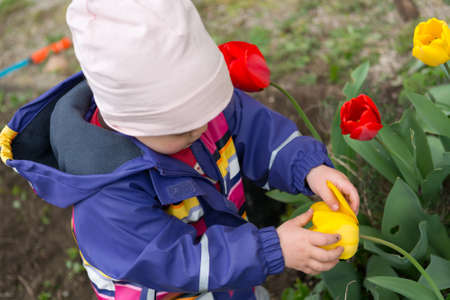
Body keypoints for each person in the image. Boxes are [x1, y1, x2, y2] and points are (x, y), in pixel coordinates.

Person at [0, 0, 359, 299]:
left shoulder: (194, 112)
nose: (204, 127)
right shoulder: (105, 194)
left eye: (209, 110)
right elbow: (176, 262)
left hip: (229, 268)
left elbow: (256, 130)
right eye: (186, 128)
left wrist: (308, 168)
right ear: (127, 123)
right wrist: (270, 250)